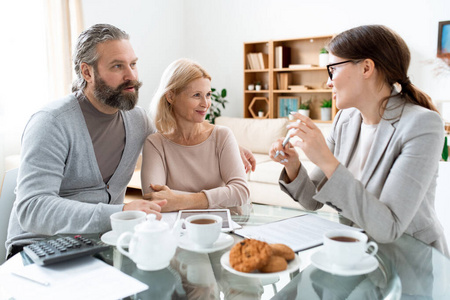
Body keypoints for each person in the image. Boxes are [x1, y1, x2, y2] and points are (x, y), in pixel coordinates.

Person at [5, 24, 256, 259]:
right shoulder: (52, 122)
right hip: (40, 246)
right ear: (87, 72)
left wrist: (229, 145)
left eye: (133, 64)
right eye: (117, 66)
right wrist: (119, 212)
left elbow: (176, 134)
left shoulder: (137, 120)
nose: (131, 76)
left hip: (103, 242)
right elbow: (32, 208)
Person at [270, 25, 448, 255]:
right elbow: (312, 200)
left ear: (366, 68)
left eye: (332, 69)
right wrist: (293, 165)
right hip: (357, 254)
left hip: (410, 260)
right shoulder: (345, 119)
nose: (328, 82)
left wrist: (325, 158)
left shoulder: (423, 125)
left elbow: (389, 227)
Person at [141, 59, 250, 211]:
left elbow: (241, 192)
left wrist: (180, 200)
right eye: (197, 95)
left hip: (222, 227)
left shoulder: (222, 136)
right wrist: (219, 197)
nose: (205, 103)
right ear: (170, 96)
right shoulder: (156, 143)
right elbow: (154, 198)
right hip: (177, 229)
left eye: (208, 94)